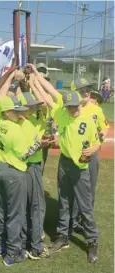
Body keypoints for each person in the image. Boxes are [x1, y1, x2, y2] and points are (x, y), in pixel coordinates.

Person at [48, 91, 100, 263]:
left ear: (79, 104)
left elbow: (97, 142)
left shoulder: (87, 120)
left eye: (73, 106)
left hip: (80, 167)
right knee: (63, 200)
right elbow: (49, 99)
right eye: (68, 107)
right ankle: (63, 236)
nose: (71, 109)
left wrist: (93, 149)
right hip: (64, 163)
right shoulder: (62, 114)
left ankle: (92, 241)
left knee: (84, 205)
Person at [0, 95, 29, 266]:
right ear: (6, 112)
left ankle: (0, 246)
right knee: (15, 213)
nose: (19, 114)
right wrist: (37, 145)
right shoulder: (15, 130)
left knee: (1, 211)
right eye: (15, 111)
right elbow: (24, 154)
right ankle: (13, 253)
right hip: (14, 172)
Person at [70, 78, 109, 235]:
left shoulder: (96, 109)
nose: (86, 92)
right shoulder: (70, 108)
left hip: (91, 157)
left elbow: (104, 127)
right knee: (71, 191)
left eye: (87, 89)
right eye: (82, 90)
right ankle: (71, 223)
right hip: (72, 158)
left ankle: (84, 221)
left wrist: (99, 141)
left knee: (89, 190)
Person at [18, 92, 51, 260]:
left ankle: (23, 243)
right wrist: (42, 144)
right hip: (31, 166)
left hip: (20, 168)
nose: (34, 108)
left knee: (23, 205)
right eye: (31, 106)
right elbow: (26, 152)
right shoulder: (25, 125)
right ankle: (36, 246)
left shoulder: (19, 123)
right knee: (37, 206)